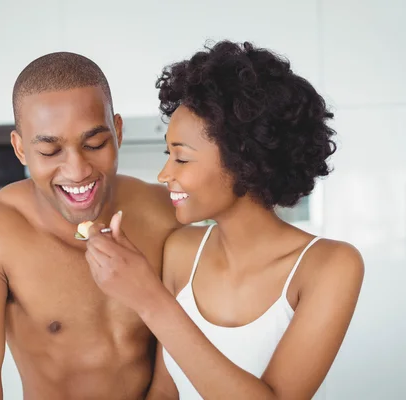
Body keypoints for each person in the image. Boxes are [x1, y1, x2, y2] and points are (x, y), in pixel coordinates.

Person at [84, 40, 365, 400]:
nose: (163, 174)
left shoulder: (329, 266)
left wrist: (148, 299)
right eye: (168, 154)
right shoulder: (180, 250)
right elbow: (165, 392)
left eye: (181, 159)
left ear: (242, 161)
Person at [0, 52, 180, 400]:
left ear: (117, 131)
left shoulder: (163, 213)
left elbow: (172, 368)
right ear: (20, 149)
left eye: (94, 144)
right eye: (50, 151)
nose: (77, 170)